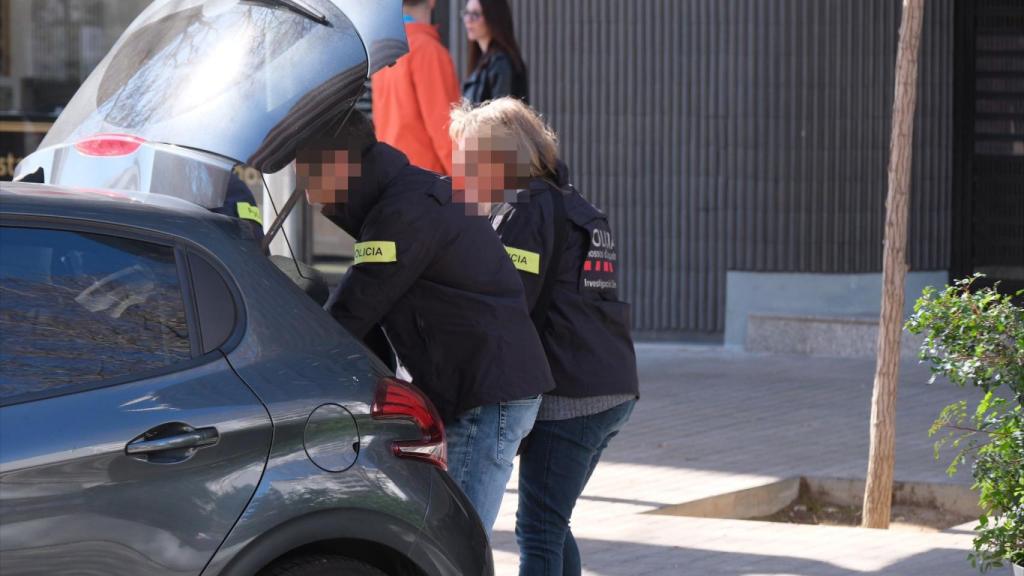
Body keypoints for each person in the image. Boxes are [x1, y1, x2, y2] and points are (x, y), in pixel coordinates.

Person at [302, 110, 554, 535]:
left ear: (340, 165)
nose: (306, 192)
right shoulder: (408, 195)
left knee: (458, 541)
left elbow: (353, 310)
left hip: (484, 396)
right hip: (483, 387)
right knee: (448, 539)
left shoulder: (403, 213)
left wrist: (293, 365)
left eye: (306, 173)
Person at [450, 98, 639, 576]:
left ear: (500, 160)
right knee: (553, 522)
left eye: (470, 161)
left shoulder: (526, 209)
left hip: (570, 396)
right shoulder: (572, 203)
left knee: (537, 528)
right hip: (610, 385)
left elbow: (510, 301)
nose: (464, 174)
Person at [371, 0, 460, 175]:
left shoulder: (386, 51)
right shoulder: (428, 50)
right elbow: (447, 133)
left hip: (394, 180)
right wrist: (473, 192)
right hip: (430, 186)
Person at [461, 0, 528, 104]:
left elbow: (501, 117)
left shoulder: (500, 63)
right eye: (467, 13)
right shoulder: (482, 61)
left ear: (493, 17)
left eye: (475, 14)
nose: (468, 20)